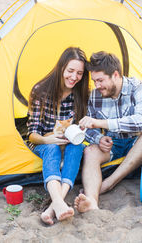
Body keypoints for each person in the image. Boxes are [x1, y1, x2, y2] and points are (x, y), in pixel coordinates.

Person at [74, 51, 142, 213]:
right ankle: (92, 201)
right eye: (94, 81)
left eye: (100, 80)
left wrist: (102, 123)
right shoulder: (96, 96)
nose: (97, 85)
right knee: (90, 151)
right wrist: (99, 138)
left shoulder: (139, 88)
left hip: (137, 142)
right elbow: (88, 128)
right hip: (113, 144)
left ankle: (109, 183)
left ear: (115, 75)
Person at [26, 47, 89, 225]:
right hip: (44, 142)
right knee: (52, 148)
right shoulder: (40, 90)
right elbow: (32, 134)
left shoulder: (80, 93)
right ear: (61, 68)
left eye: (79, 73)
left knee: (77, 147)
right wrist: (47, 139)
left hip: (67, 143)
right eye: (70, 71)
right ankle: (59, 203)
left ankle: (54, 206)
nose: (74, 77)